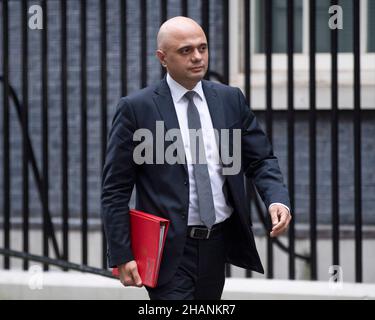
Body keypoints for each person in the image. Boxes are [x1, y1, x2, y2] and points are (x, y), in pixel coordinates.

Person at [101, 16, 292, 300]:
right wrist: (121, 253)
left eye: (202, 48)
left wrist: (276, 199)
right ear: (163, 58)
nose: (197, 57)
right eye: (186, 51)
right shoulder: (136, 109)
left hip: (217, 243)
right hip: (168, 250)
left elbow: (260, 158)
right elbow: (115, 188)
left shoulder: (230, 100)